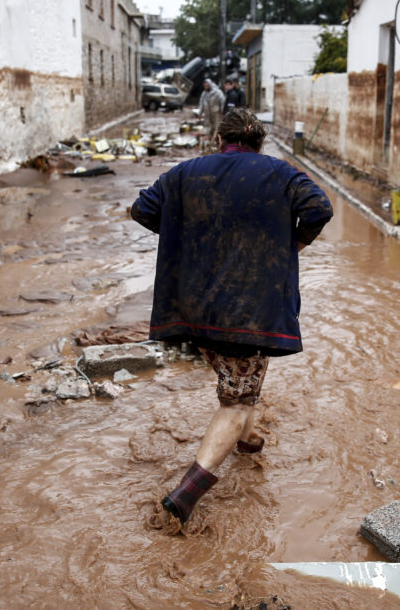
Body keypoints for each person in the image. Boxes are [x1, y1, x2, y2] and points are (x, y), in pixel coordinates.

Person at [130, 108, 333, 526]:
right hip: (249, 311)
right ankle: (185, 496)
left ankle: (250, 440)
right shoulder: (281, 173)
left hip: (193, 308)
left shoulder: (185, 172)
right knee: (237, 400)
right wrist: (291, 243)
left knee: (239, 375)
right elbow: (319, 208)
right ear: (259, 143)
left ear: (219, 139)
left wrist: (189, 239)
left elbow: (142, 209)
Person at [197, 78, 224, 148]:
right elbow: (201, 104)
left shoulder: (217, 92)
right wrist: (199, 114)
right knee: (208, 127)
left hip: (216, 113)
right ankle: (209, 143)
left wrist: (222, 111)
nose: (206, 86)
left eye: (207, 85)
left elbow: (222, 101)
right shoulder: (204, 93)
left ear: (210, 85)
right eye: (205, 85)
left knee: (217, 127)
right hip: (207, 114)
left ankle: (217, 142)